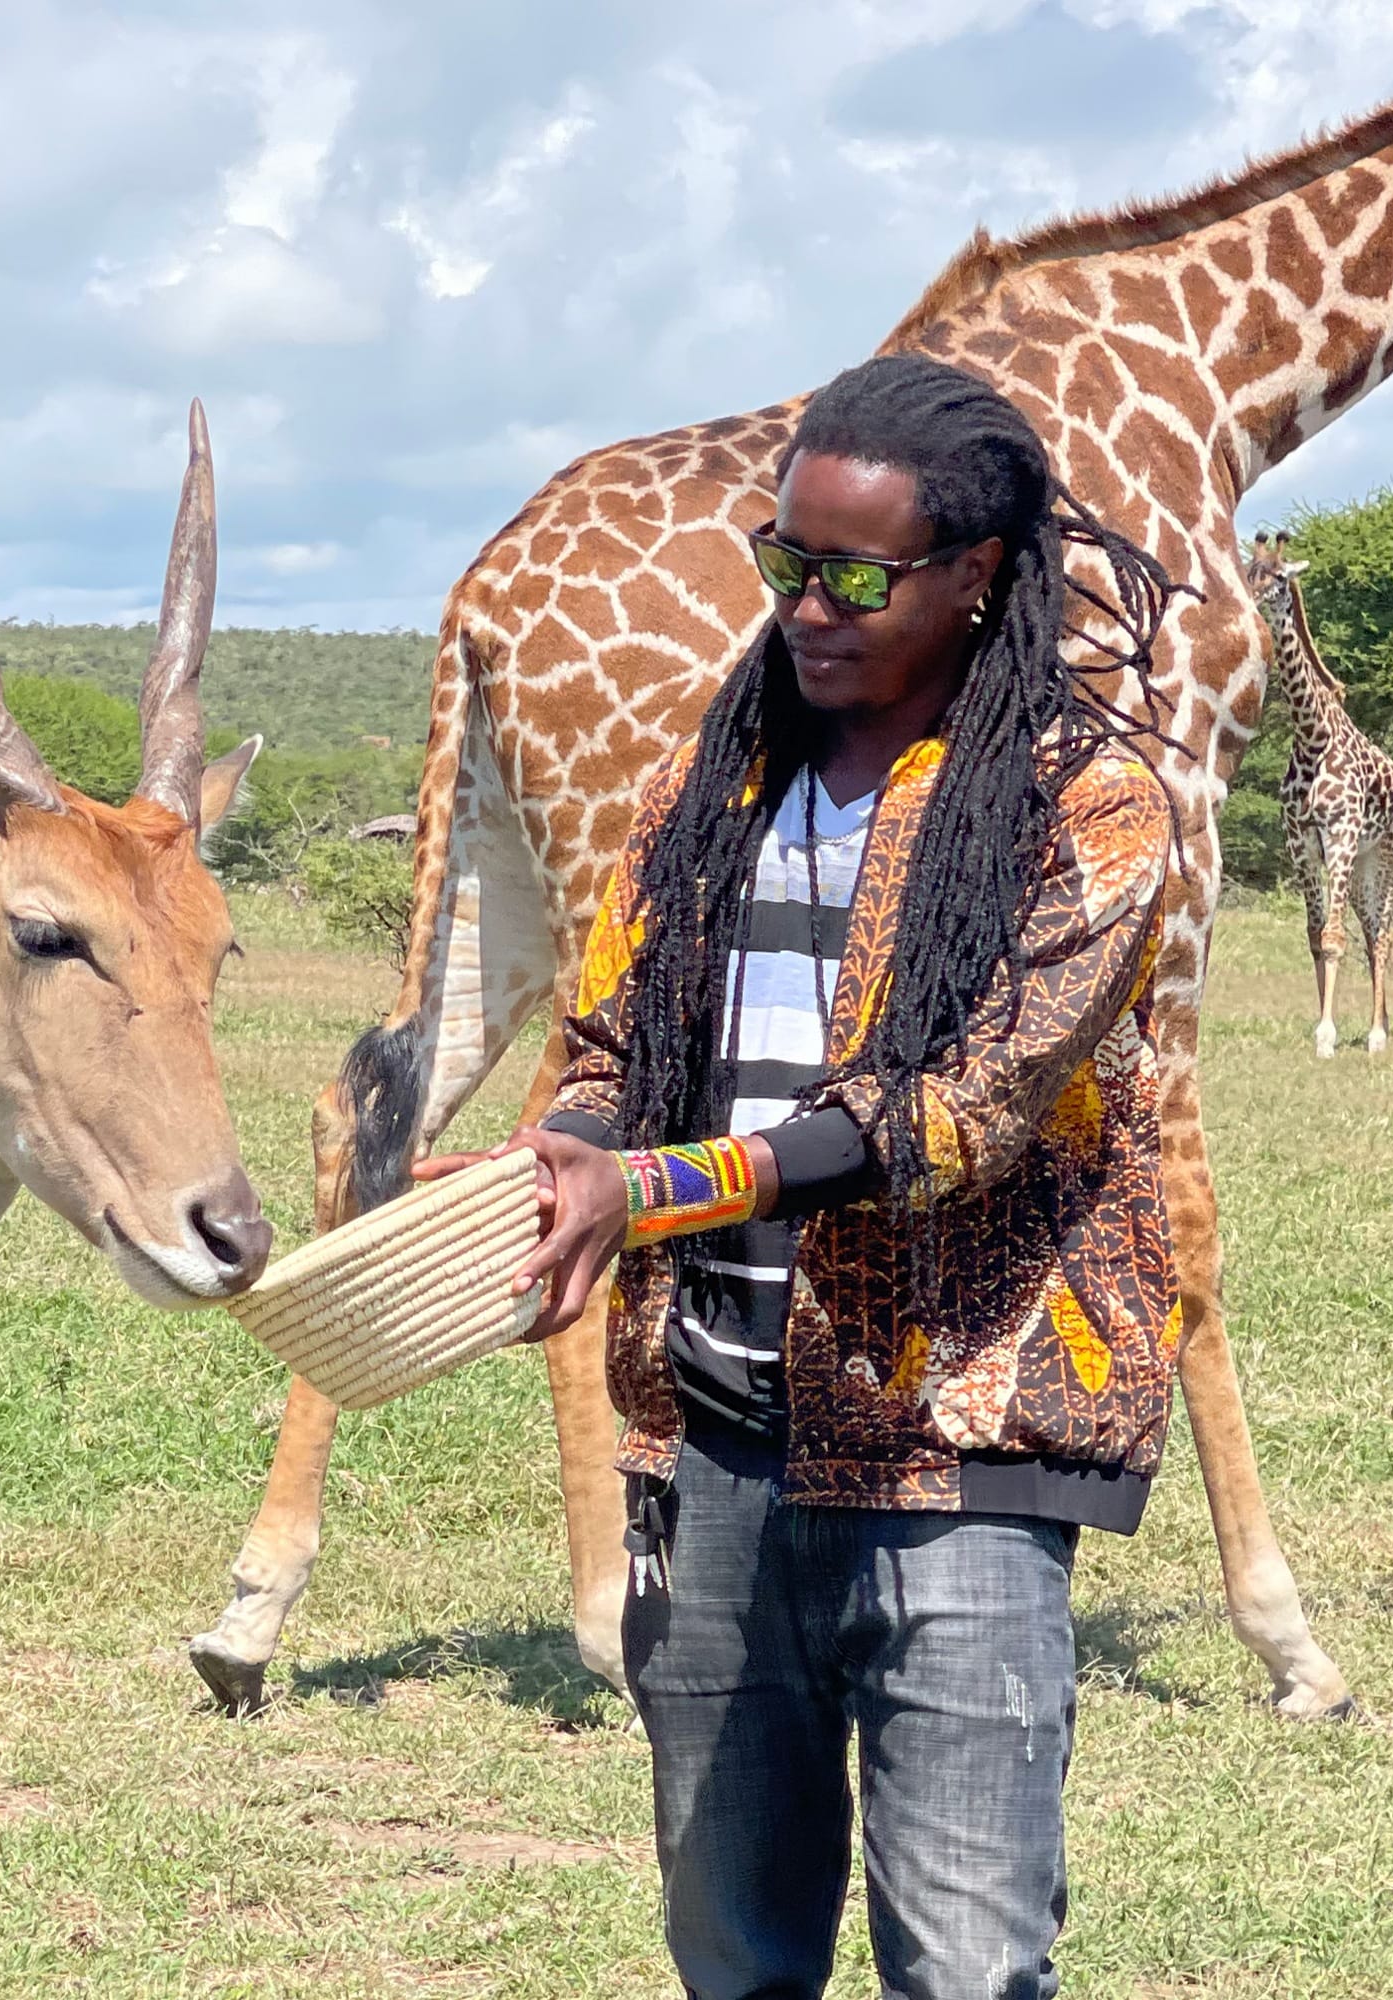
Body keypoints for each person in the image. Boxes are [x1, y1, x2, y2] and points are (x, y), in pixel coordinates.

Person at [420, 356, 1188, 1999]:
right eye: (786, 567)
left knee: (969, 1966)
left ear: (979, 574)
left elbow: (958, 1118)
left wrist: (663, 1191)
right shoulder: (711, 793)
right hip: (713, 1451)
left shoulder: (1091, 809)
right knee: (732, 1955)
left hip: (957, 1464)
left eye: (854, 576)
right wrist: (568, 1142)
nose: (810, 609)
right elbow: (621, 1039)